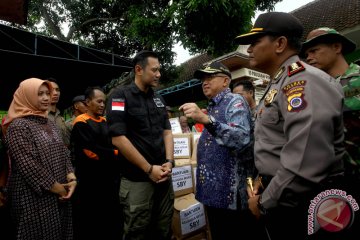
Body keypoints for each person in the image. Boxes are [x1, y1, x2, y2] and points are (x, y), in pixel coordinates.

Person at [235, 12, 346, 239]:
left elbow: (305, 160)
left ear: (280, 44)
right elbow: (275, 142)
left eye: (255, 42)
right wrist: (263, 180)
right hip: (284, 194)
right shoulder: (280, 81)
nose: (248, 50)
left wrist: (265, 202)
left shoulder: (303, 81)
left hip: (304, 202)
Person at [179, 61, 262, 240]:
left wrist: (207, 120)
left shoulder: (235, 100)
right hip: (213, 195)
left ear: (225, 81)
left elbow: (241, 138)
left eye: (210, 77)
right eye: (203, 79)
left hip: (229, 197)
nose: (204, 82)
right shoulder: (213, 105)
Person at [106, 50, 174, 240]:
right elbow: (118, 138)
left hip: (163, 177)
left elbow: (167, 132)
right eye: (154, 70)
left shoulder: (158, 99)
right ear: (138, 69)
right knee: (137, 231)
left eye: (159, 70)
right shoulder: (119, 97)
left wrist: (169, 161)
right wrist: (148, 169)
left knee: (163, 228)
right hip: (137, 180)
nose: (159, 74)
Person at [2, 78, 77, 240]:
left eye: (47, 93)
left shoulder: (49, 123)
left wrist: (72, 177)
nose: (46, 98)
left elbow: (64, 152)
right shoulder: (18, 126)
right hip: (33, 198)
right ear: (27, 96)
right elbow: (29, 165)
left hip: (60, 194)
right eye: (39, 94)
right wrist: (59, 188)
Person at [301, 27, 360, 183]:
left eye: (314, 51)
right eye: (306, 54)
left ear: (336, 47)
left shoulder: (358, 79)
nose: (309, 57)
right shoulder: (314, 92)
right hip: (333, 180)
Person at [70, 86, 122, 240]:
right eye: (98, 101)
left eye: (104, 102)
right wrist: (115, 154)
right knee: (92, 217)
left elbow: (113, 142)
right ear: (87, 102)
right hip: (91, 180)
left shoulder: (105, 121)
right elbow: (90, 151)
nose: (102, 105)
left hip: (109, 178)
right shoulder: (81, 123)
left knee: (110, 215)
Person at [47, 77, 71, 147]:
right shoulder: (39, 117)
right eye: (51, 90)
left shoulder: (61, 118)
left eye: (57, 90)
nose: (55, 93)